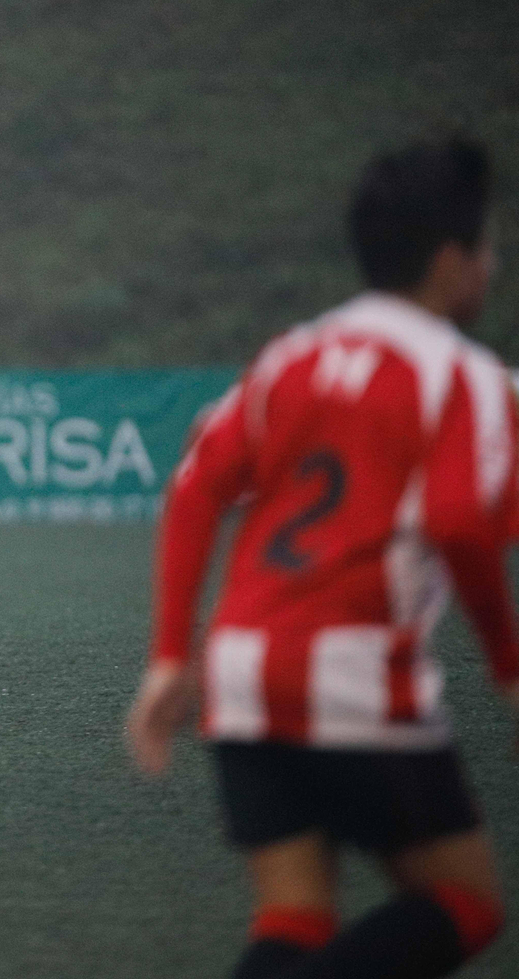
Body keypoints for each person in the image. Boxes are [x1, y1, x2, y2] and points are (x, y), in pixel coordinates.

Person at [127, 137, 517, 979]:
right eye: (488, 247)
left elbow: (195, 487)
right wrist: (509, 665)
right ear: (452, 261)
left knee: (294, 917)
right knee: (470, 905)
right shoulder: (465, 376)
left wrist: (168, 659)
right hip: (358, 678)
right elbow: (456, 520)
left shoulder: (291, 355)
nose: (491, 265)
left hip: (239, 674)